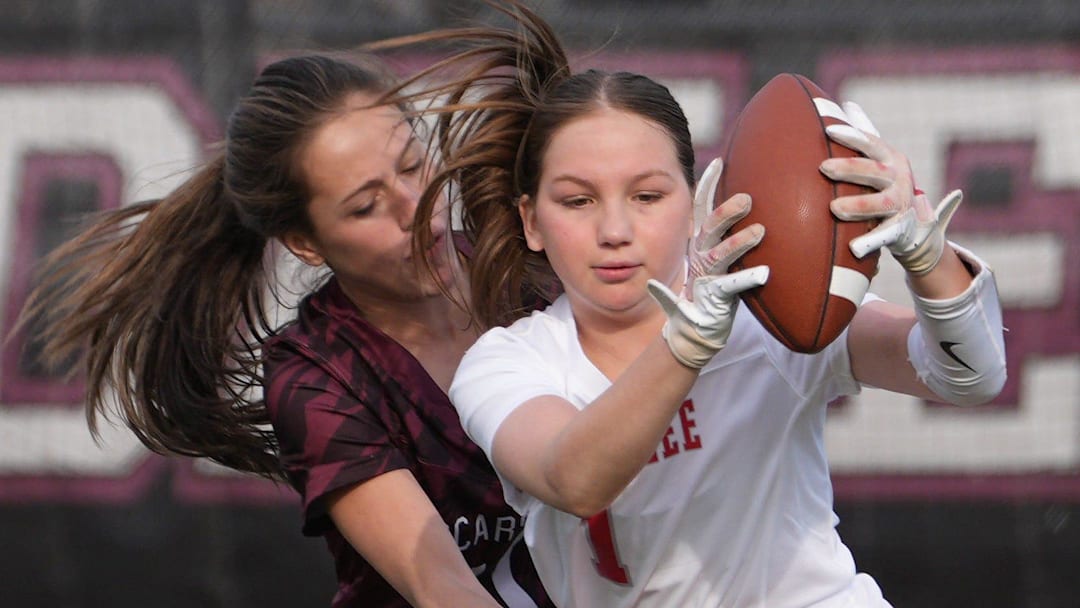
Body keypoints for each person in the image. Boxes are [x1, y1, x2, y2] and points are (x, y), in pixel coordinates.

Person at [379, 2, 1009, 606]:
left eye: (649, 196)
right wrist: (686, 344)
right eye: (577, 201)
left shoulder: (773, 311)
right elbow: (574, 479)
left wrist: (928, 259)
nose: (615, 230)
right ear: (531, 222)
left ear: (695, 198)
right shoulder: (507, 362)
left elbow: (972, 378)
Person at [17, 53, 552, 608]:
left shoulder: (531, 266)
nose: (416, 210)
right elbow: (441, 588)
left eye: (414, 165)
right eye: (367, 205)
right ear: (307, 243)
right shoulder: (318, 377)